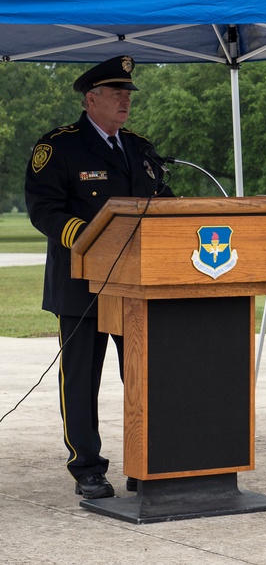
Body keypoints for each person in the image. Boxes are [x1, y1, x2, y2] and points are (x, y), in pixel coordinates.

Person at [24, 55, 172, 500]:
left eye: (128, 94)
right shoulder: (59, 147)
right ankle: (87, 466)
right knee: (82, 379)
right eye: (117, 94)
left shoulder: (140, 148)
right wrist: (87, 238)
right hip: (81, 283)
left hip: (138, 284)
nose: (126, 100)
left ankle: (148, 460)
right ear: (91, 99)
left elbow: (162, 201)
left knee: (146, 375)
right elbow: (44, 209)